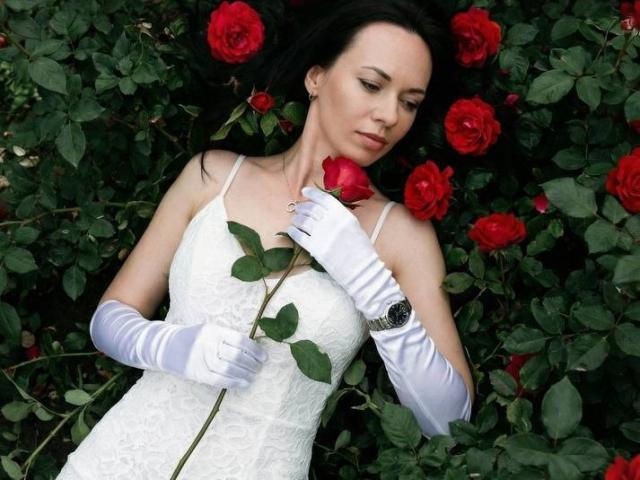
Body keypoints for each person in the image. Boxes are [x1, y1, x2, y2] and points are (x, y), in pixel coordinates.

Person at [56, 1, 474, 478]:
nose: (388, 115)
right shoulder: (213, 176)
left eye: (409, 102)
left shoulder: (403, 236)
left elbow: (448, 421)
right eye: (372, 85)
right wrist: (169, 345)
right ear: (316, 77)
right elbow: (109, 319)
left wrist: (370, 282)